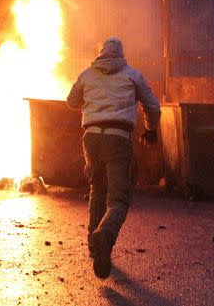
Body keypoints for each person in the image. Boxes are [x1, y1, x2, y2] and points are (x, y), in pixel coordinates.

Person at [66, 37, 161, 279]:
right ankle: (105, 233)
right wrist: (150, 130)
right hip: (118, 138)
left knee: (97, 189)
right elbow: (153, 106)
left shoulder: (88, 74)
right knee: (118, 199)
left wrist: (94, 103)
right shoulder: (133, 75)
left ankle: (93, 244)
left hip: (92, 137)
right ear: (121, 53)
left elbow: (71, 101)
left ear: (100, 53)